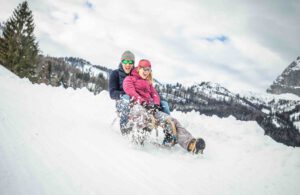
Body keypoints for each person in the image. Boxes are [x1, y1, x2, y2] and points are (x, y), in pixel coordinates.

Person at [123, 59, 206, 154]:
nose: (146, 72)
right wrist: (143, 102)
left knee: (171, 120)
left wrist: (155, 105)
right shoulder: (129, 79)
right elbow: (131, 92)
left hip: (151, 109)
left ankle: (190, 144)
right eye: (144, 69)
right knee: (143, 116)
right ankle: (137, 140)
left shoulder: (148, 83)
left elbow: (155, 95)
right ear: (139, 68)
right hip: (137, 106)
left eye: (148, 70)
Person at [109, 50, 170, 135]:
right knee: (127, 98)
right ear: (121, 61)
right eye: (125, 61)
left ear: (133, 63)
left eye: (130, 62)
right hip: (123, 101)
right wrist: (126, 95)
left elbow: (148, 88)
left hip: (139, 100)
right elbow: (112, 93)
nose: (128, 64)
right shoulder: (115, 74)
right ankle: (124, 128)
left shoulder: (137, 72)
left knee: (164, 104)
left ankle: (168, 132)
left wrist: (158, 100)